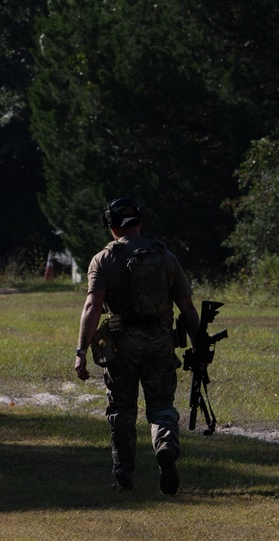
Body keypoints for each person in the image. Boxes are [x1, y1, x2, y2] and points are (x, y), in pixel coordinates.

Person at [74, 197, 205, 495]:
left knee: (121, 410)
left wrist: (81, 351)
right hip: (161, 341)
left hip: (121, 346)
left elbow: (93, 305)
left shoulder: (104, 259)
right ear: (140, 222)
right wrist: (198, 348)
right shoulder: (165, 256)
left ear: (112, 226)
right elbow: (187, 308)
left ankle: (123, 479)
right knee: (161, 407)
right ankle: (166, 446)